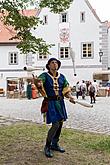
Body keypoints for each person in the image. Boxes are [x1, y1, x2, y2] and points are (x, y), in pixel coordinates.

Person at [35, 58, 75, 158]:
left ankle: (55, 144)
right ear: (48, 65)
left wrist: (70, 97)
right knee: (55, 124)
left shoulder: (62, 77)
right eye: (52, 63)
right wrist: (38, 83)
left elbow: (66, 89)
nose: (54, 64)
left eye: (56, 62)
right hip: (50, 102)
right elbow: (39, 83)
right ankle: (47, 146)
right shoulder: (44, 75)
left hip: (60, 102)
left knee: (60, 123)